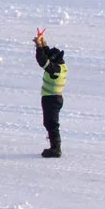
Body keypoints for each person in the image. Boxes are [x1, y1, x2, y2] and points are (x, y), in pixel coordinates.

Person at [34, 29, 67, 158]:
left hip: (52, 99)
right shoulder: (61, 65)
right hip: (54, 98)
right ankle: (54, 146)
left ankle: (55, 149)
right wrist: (42, 42)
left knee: (51, 123)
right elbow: (47, 55)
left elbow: (42, 60)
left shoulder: (55, 69)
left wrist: (38, 47)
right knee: (50, 123)